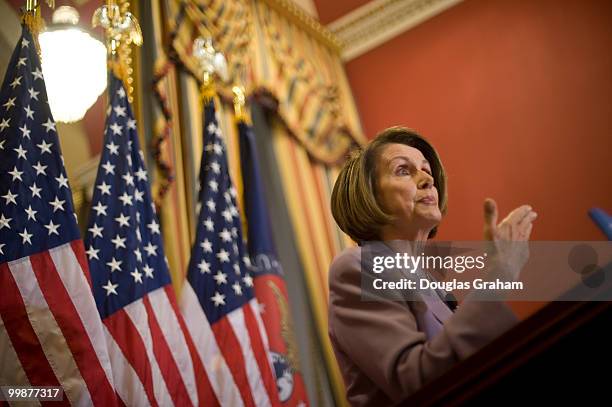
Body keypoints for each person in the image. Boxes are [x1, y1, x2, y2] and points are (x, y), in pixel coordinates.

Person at [328, 126, 537, 406]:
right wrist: (501, 274)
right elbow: (417, 381)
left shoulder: (430, 283)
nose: (427, 178)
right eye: (403, 170)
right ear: (368, 195)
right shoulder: (355, 267)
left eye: (426, 170)